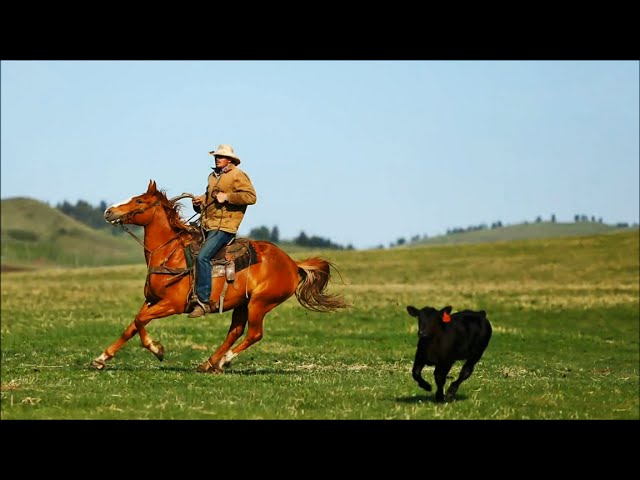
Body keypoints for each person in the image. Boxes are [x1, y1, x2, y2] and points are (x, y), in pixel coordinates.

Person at [188, 144, 257, 318]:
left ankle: (203, 302)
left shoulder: (238, 175)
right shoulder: (212, 177)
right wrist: (200, 201)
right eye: (216, 156)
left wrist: (228, 197)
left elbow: (251, 197)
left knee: (203, 256)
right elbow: (210, 198)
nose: (217, 159)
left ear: (230, 160)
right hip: (207, 224)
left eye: (221, 156)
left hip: (225, 227)